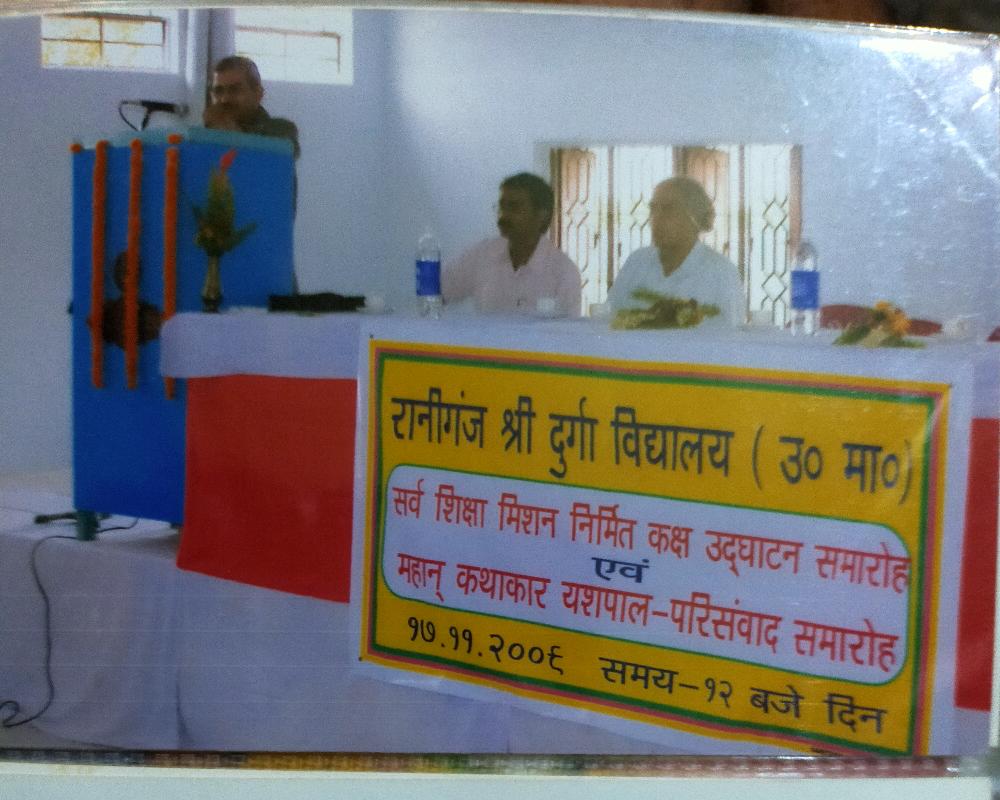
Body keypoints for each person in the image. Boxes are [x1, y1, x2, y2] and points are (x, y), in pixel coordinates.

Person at [607, 177, 744, 326]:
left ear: (694, 218)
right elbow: (608, 319)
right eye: (653, 209)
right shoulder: (637, 262)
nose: (656, 218)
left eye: (668, 210)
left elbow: (731, 334)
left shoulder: (721, 273)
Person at [443, 173, 582, 317]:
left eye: (514, 207)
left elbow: (567, 330)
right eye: (502, 207)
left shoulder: (563, 272)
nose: (504, 216)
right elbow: (437, 292)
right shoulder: (482, 255)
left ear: (541, 215)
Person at [203, 55, 300, 159]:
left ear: (258, 94)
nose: (224, 99)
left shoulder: (281, 131)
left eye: (235, 90)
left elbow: (271, 163)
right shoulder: (200, 136)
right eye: (218, 91)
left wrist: (230, 136)